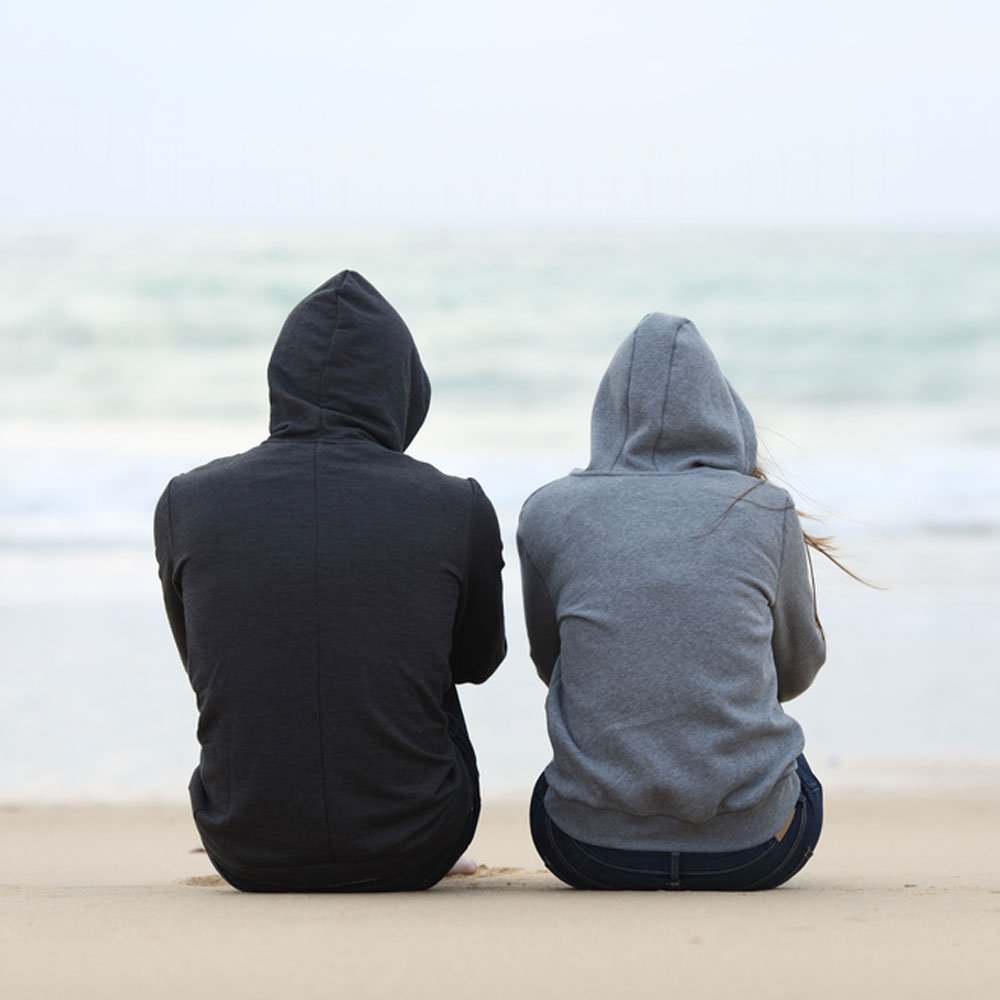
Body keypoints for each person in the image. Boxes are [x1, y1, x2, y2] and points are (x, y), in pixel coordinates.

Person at [154, 270, 506, 892]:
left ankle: (279, 812)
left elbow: (204, 660)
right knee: (411, 655)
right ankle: (398, 803)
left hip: (242, 847)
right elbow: (477, 661)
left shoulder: (187, 501)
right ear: (403, 388)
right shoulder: (456, 503)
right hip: (416, 845)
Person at [517, 312, 828, 891]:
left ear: (607, 412)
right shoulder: (766, 509)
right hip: (758, 850)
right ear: (723, 409)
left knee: (559, 784)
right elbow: (799, 667)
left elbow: (555, 665)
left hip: (588, 851)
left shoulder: (549, 511)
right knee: (795, 770)